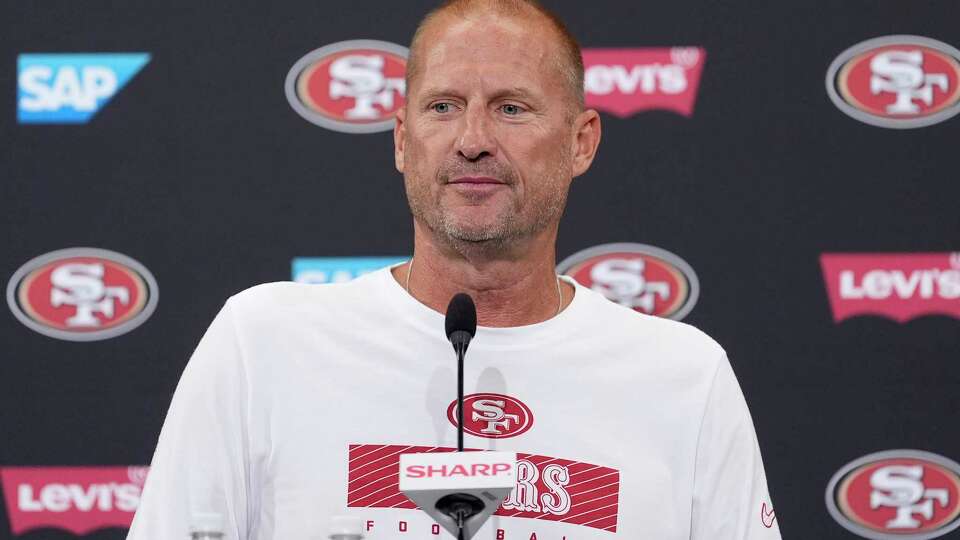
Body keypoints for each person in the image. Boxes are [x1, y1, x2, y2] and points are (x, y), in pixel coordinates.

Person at [128, 1, 783, 539]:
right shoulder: (262, 343)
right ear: (402, 140)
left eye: (511, 108)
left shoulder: (684, 378)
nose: (473, 139)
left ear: (582, 140)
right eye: (442, 106)